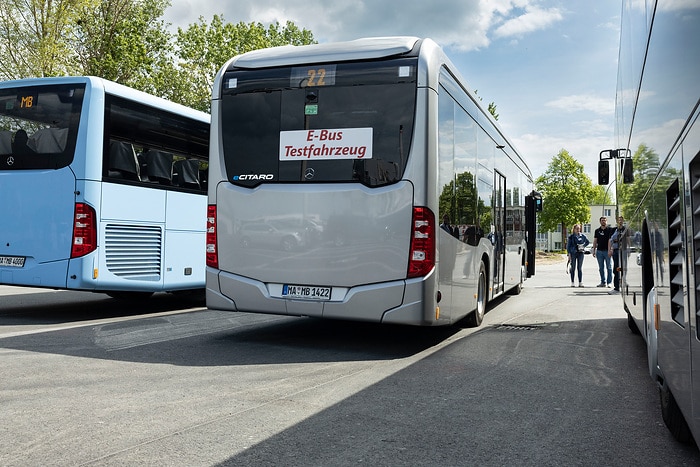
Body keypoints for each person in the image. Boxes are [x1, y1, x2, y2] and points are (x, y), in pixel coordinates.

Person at [591, 216, 615, 287]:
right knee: (601, 268)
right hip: (599, 251)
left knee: (609, 267)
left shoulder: (610, 230)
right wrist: (594, 250)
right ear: (600, 221)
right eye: (602, 220)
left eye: (604, 220)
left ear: (606, 221)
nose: (603, 221)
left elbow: (611, 240)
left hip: (607, 251)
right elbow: (595, 241)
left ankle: (609, 282)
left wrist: (610, 250)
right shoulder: (597, 231)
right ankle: (602, 282)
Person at [608, 216, 629, 294]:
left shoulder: (625, 229)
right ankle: (616, 287)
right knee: (616, 268)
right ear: (617, 221)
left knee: (624, 268)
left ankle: (623, 282)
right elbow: (610, 240)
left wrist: (629, 249)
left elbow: (628, 239)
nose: (620, 221)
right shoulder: (614, 229)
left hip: (623, 251)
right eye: (618, 220)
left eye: (621, 220)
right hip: (616, 251)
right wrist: (609, 249)